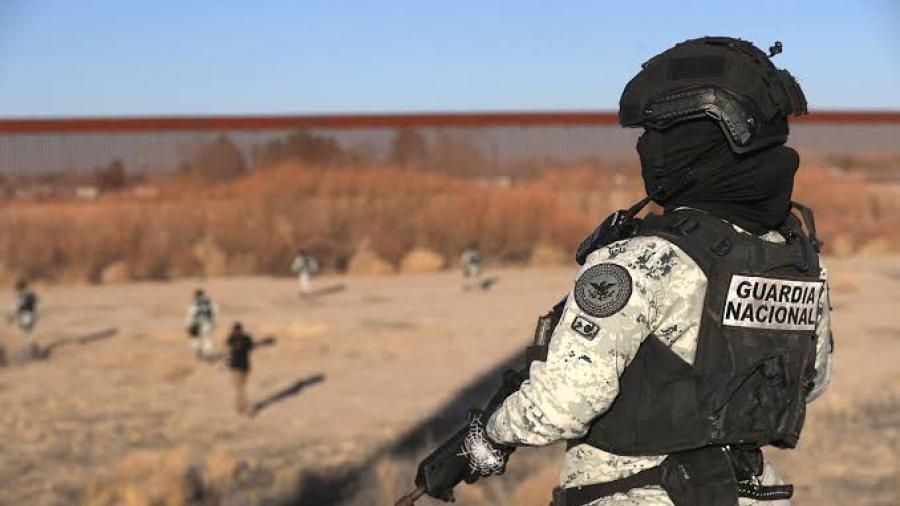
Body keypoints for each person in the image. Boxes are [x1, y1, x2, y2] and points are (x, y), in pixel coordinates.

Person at [415, 38, 834, 506]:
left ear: (696, 140)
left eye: (657, 132)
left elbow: (563, 403)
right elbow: (810, 382)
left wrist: (486, 438)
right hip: (755, 493)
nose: (646, 146)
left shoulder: (640, 261)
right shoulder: (796, 258)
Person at [226, 322, 254, 414]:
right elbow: (251, 347)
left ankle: (244, 407)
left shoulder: (233, 339)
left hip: (237, 367)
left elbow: (229, 346)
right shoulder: (246, 338)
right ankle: (241, 407)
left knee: (239, 389)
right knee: (241, 388)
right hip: (244, 366)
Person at [185, 288, 218, 359]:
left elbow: (191, 315)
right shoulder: (210, 302)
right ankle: (208, 354)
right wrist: (213, 323)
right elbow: (215, 313)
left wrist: (188, 325)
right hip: (208, 324)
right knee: (208, 339)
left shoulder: (195, 303)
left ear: (196, 295)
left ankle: (199, 351)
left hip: (197, 324)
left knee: (195, 338)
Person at [12, 280, 39, 357]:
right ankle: (30, 347)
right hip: (32, 315)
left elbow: (18, 307)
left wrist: (12, 316)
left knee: (25, 332)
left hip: (25, 315)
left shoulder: (22, 296)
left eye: (18, 289)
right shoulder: (32, 294)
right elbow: (37, 303)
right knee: (28, 332)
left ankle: (30, 348)